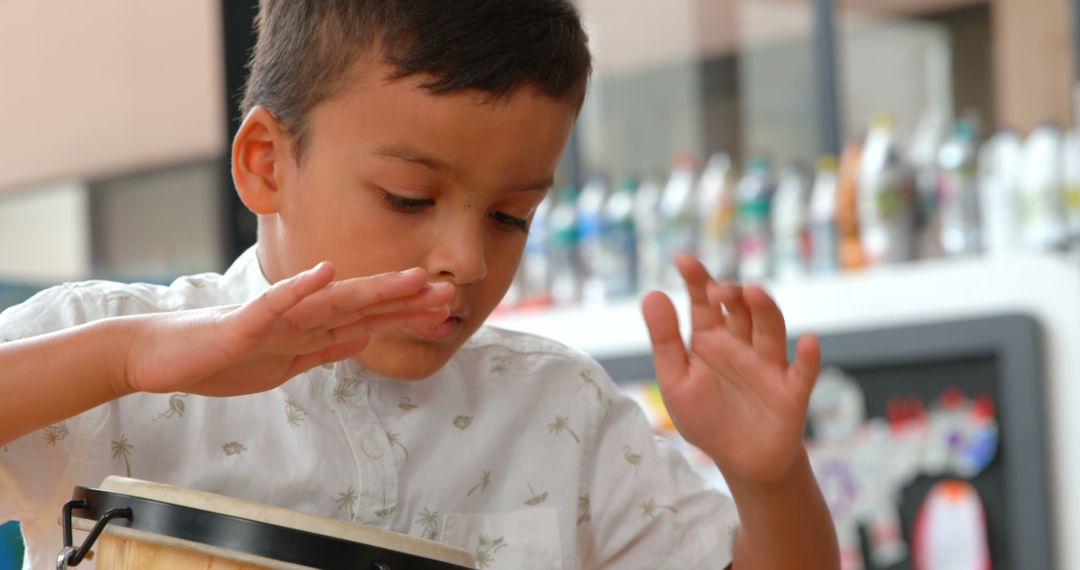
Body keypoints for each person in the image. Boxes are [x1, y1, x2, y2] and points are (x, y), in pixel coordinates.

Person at [0, 1, 839, 568]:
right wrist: (129, 361)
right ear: (266, 164)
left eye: (511, 216)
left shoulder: (565, 415)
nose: (466, 261)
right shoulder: (105, 352)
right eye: (410, 198)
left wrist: (768, 477)